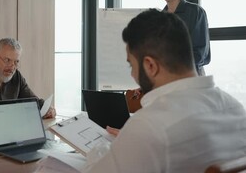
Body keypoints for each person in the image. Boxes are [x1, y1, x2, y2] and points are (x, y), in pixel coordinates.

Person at [83, 9, 246, 173]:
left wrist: (103, 148)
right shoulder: (236, 110)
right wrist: (130, 144)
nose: (132, 74)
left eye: (131, 65)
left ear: (150, 66)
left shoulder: (150, 126)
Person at [158, 0, 211, 76]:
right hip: (166, 76)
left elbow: (201, 52)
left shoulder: (195, 12)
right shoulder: (159, 17)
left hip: (190, 75)